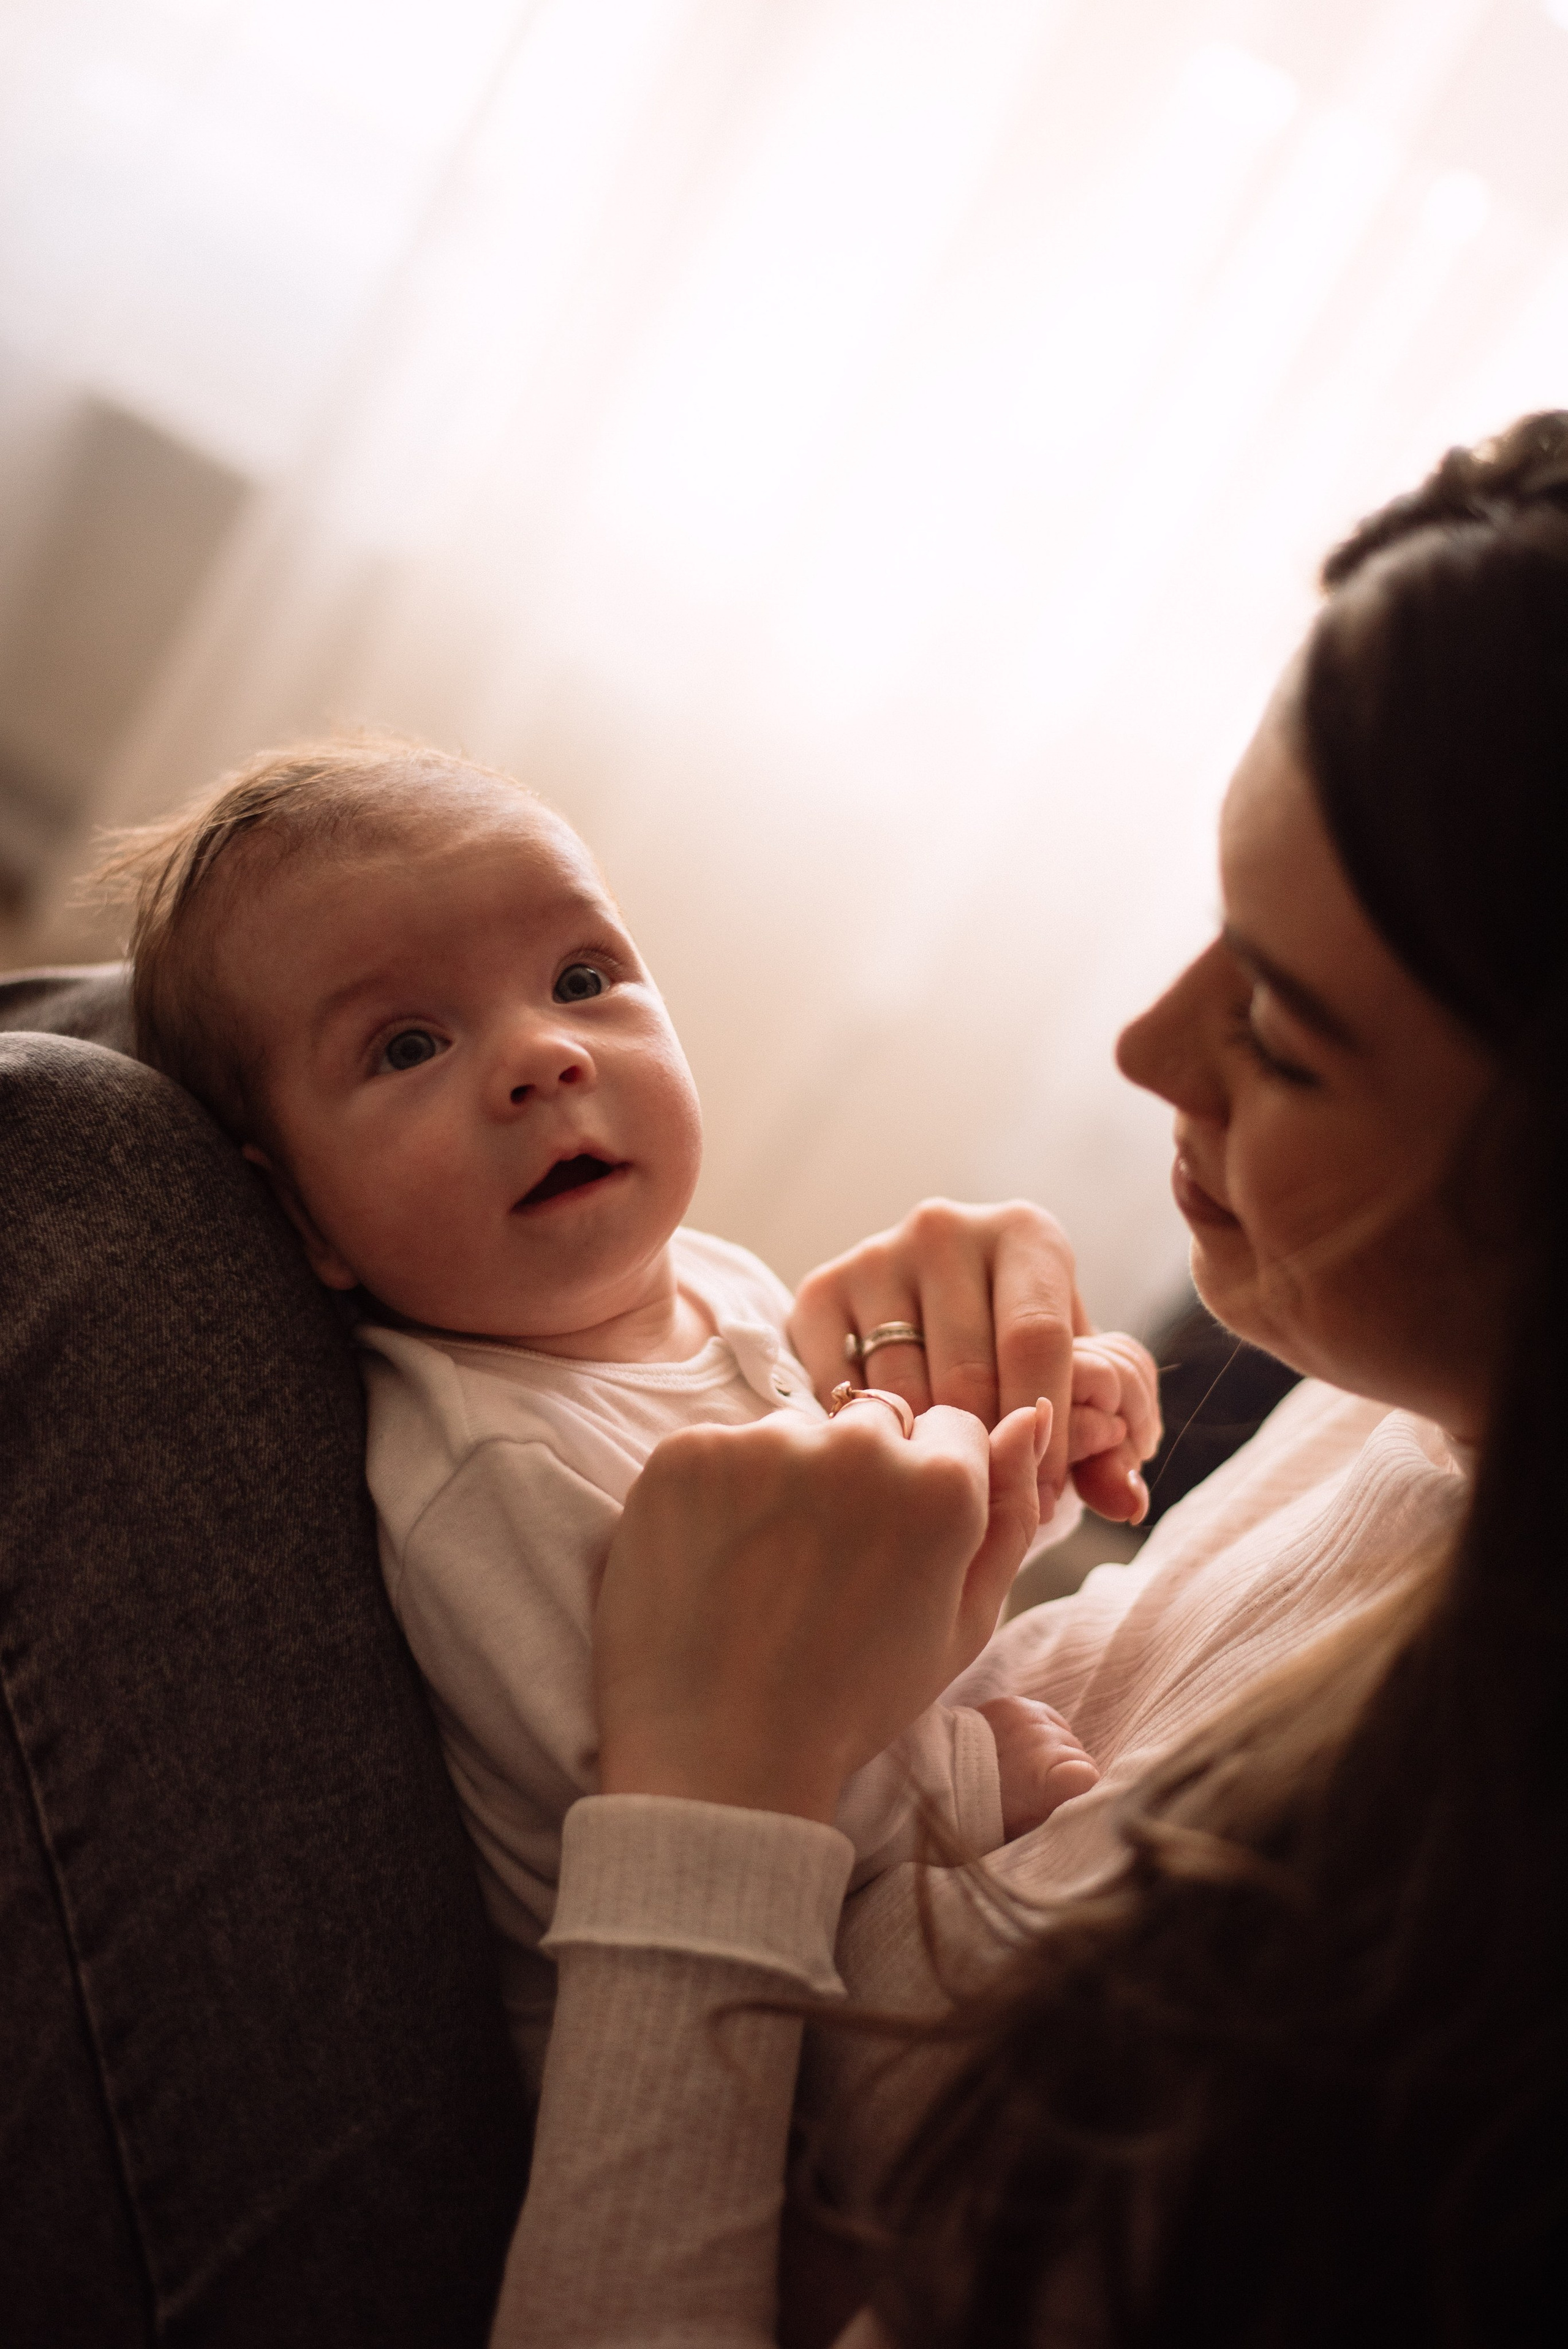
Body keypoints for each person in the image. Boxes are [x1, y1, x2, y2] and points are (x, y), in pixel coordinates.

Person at [493, 410, 1568, 2347]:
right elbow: (1041, 1827)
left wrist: (715, 1795)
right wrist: (927, 1511)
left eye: (1291, 1040)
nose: (1150, 1046)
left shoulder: (1447, 2029)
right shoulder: (1424, 1409)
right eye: (1226, 925)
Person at [96, 755, 1160, 2087]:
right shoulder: (479, 1467)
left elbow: (886, 1545)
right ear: (302, 1213)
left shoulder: (718, 1285)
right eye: (408, 1046)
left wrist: (1025, 1438)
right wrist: (952, 1775)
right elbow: (632, 1791)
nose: (543, 1055)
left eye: (581, 980)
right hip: (709, 2042)